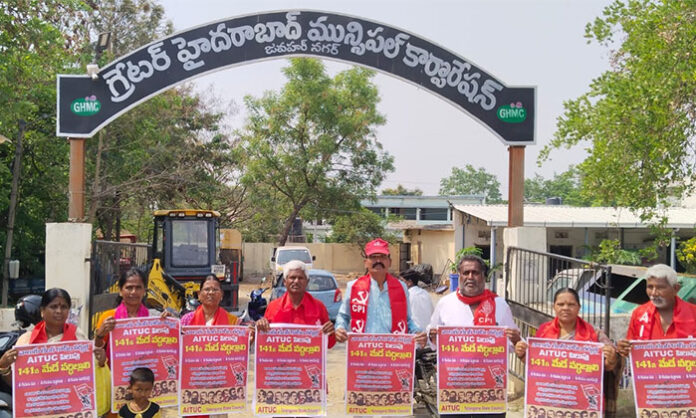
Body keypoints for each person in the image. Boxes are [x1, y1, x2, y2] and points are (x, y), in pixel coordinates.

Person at [427, 254, 520, 418]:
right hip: (454, 391)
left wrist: (516, 339)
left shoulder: (499, 305)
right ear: (459, 275)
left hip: (489, 392)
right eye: (466, 273)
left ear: (483, 276)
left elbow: (513, 343)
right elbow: (432, 336)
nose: (470, 277)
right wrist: (432, 335)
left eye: (475, 273)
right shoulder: (445, 303)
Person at [0, 288, 107, 417]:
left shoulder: (78, 337)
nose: (59, 311)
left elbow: (89, 378)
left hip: (72, 410)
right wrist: (4, 366)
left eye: (64, 307)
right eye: (53, 306)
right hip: (38, 411)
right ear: (42, 311)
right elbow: (19, 386)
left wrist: (100, 361)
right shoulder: (26, 342)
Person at [515, 288, 621, 416]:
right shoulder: (543, 332)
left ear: (579, 307)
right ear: (554, 306)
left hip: (581, 403)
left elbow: (608, 366)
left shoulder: (594, 334)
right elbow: (535, 365)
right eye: (560, 304)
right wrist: (521, 353)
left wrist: (612, 358)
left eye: (571, 304)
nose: (565, 308)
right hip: (549, 402)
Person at [335, 238, 427, 346]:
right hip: (362, 353)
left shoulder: (401, 287)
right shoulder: (354, 287)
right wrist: (339, 328)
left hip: (392, 352)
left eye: (383, 257)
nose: (378, 261)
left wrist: (417, 332)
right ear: (366, 262)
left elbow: (407, 320)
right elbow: (343, 316)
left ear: (389, 262)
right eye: (373, 257)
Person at [618, 264, 696, 356]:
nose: (654, 293)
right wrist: (624, 349)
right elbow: (631, 349)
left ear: (676, 289)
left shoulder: (693, 313)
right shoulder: (639, 314)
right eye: (650, 287)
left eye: (660, 288)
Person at [256, 260, 336, 348]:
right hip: (281, 360)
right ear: (285, 281)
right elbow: (265, 341)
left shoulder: (319, 307)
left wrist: (331, 333)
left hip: (309, 360)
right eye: (292, 278)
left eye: (300, 278)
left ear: (307, 281)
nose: (296, 281)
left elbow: (329, 344)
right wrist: (260, 326)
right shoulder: (273, 307)